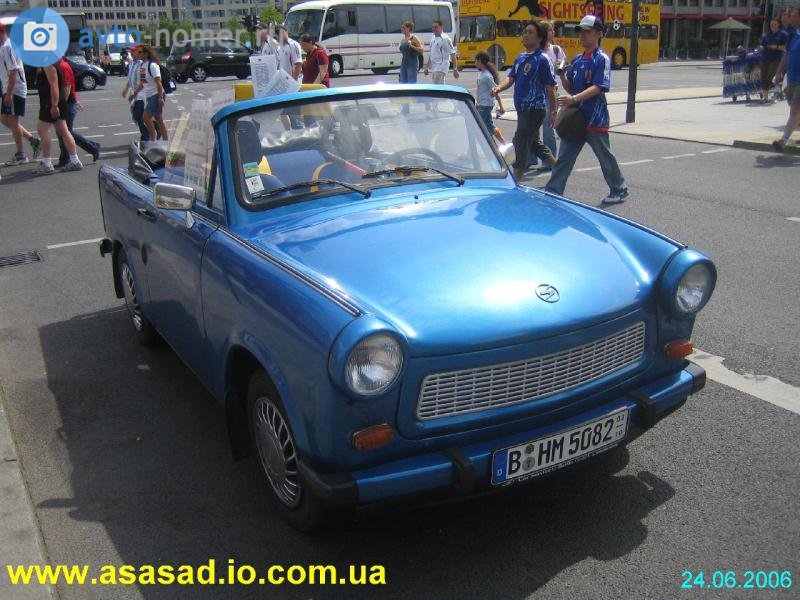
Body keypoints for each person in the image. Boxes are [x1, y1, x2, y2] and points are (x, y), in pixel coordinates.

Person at [545, 15, 629, 204]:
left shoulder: (602, 59)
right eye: (581, 32)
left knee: (604, 155)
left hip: (594, 118)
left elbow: (598, 86)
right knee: (564, 157)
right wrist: (563, 75)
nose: (582, 36)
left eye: (587, 32)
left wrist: (573, 98)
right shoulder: (577, 59)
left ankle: (619, 188)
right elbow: (572, 88)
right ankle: (553, 191)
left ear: (598, 33)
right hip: (576, 119)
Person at [491, 20, 557, 180]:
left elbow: (550, 87)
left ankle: (515, 180)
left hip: (535, 108)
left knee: (519, 141)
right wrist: (499, 87)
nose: (526, 35)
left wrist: (554, 111)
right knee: (534, 143)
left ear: (540, 38)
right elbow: (511, 78)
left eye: (530, 32)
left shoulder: (542, 59)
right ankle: (559, 168)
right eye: (525, 32)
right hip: (522, 110)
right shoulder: (520, 57)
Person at [0, 23, 41, 165]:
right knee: (4, 119)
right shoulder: (6, 46)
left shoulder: (7, 47)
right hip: (10, 88)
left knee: (13, 121)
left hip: (14, 88)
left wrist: (9, 93)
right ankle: (33, 141)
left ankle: (21, 155)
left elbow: (13, 71)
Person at [530, 19, 566, 170]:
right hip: (536, 93)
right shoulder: (536, 50)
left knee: (548, 128)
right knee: (532, 129)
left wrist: (560, 66)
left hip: (551, 91)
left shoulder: (556, 50)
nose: (553, 33)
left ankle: (549, 161)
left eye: (553, 30)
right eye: (550, 30)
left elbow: (564, 64)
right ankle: (530, 160)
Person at [35, 63, 82, 174]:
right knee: (63, 131)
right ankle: (75, 161)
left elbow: (54, 85)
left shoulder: (47, 65)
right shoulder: (46, 64)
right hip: (54, 102)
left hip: (51, 103)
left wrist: (54, 105)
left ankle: (47, 164)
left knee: (42, 130)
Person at [57, 56, 100, 166]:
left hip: (68, 104)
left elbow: (67, 87)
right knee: (63, 132)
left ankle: (93, 148)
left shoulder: (63, 66)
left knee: (66, 132)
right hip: (69, 102)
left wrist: (62, 104)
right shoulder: (60, 65)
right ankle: (64, 159)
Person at [772, 7, 800, 152]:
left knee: (795, 110)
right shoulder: (793, 35)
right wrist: (778, 73)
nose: (791, 18)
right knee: (794, 108)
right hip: (792, 78)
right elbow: (786, 55)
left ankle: (783, 141)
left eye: (794, 16)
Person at [134, 45, 168, 142]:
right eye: (138, 52)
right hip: (150, 95)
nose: (138, 54)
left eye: (140, 52)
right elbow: (143, 82)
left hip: (156, 94)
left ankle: (153, 138)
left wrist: (160, 98)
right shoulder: (142, 66)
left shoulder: (152, 65)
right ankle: (166, 141)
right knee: (158, 118)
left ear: (146, 53)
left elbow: (158, 82)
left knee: (146, 117)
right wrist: (134, 93)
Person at [474, 52, 506, 144]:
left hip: (485, 105)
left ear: (480, 61)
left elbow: (495, 90)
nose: (475, 62)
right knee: (490, 126)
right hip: (481, 104)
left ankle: (490, 148)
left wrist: (501, 106)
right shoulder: (482, 73)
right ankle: (504, 143)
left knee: (477, 126)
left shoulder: (487, 76)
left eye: (476, 60)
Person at [122, 45, 148, 142]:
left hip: (143, 95)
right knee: (137, 116)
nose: (131, 53)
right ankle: (149, 131)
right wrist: (126, 89)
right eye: (131, 51)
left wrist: (134, 93)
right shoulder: (132, 64)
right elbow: (130, 79)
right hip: (136, 94)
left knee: (138, 115)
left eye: (134, 51)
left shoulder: (142, 64)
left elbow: (143, 81)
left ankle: (146, 135)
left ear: (139, 52)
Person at [424, 20, 459, 84]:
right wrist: (427, 67)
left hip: (441, 67)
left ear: (441, 27)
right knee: (439, 87)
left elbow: (453, 54)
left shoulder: (445, 38)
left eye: (436, 27)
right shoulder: (433, 38)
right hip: (435, 67)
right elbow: (431, 54)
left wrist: (455, 69)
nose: (434, 29)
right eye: (433, 27)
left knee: (437, 87)